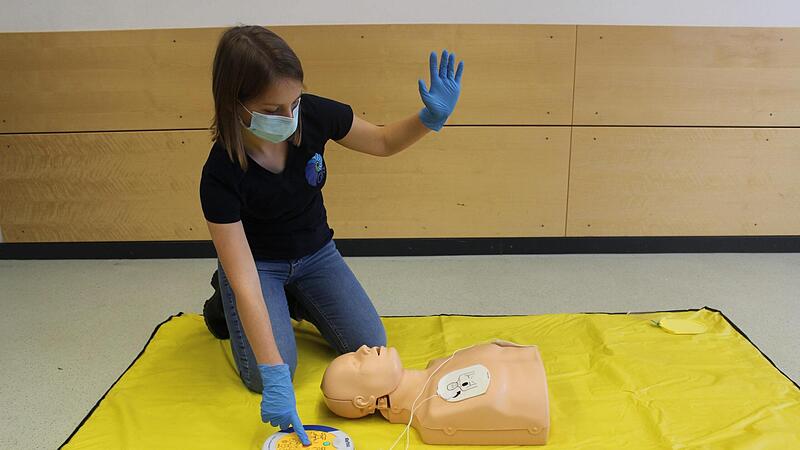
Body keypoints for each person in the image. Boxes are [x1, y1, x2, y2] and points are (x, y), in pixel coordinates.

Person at [199, 25, 464, 445]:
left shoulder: (315, 114)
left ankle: (295, 296)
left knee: (370, 342)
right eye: (273, 108)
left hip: (315, 254)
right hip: (257, 267)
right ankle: (222, 304)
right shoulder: (219, 176)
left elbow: (379, 141)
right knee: (269, 374)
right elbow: (247, 282)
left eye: (295, 102)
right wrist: (274, 378)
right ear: (236, 104)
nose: (289, 118)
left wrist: (427, 119)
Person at [320, 342, 550, 446]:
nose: (363, 349)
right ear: (363, 401)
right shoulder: (435, 416)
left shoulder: (438, 365)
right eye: (356, 363)